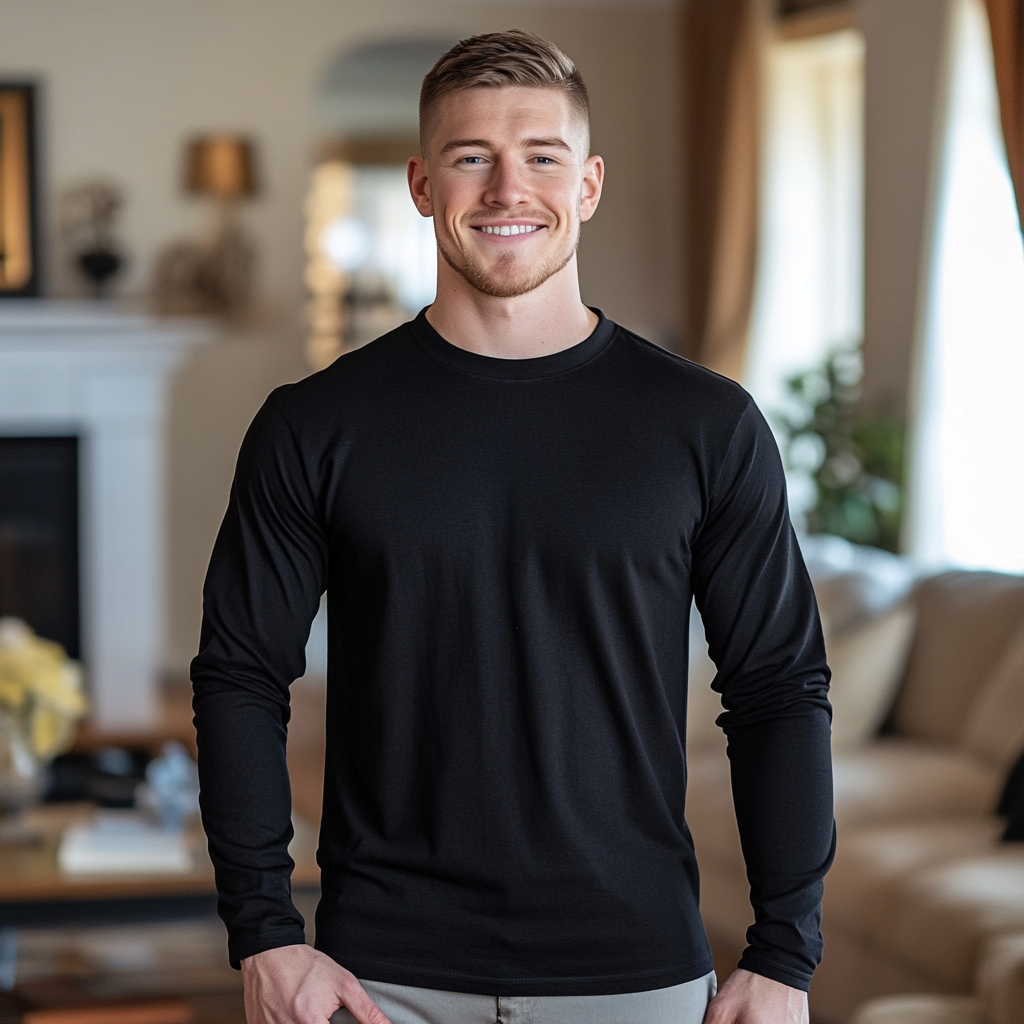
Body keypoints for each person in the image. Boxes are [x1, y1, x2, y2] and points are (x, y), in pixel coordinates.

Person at [192, 30, 834, 1024]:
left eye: (541, 156)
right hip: (378, 978)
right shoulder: (313, 425)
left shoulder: (706, 426)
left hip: (636, 972)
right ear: (419, 184)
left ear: (587, 185)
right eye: (469, 158)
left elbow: (778, 687)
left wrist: (785, 953)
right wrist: (265, 931)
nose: (505, 189)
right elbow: (239, 674)